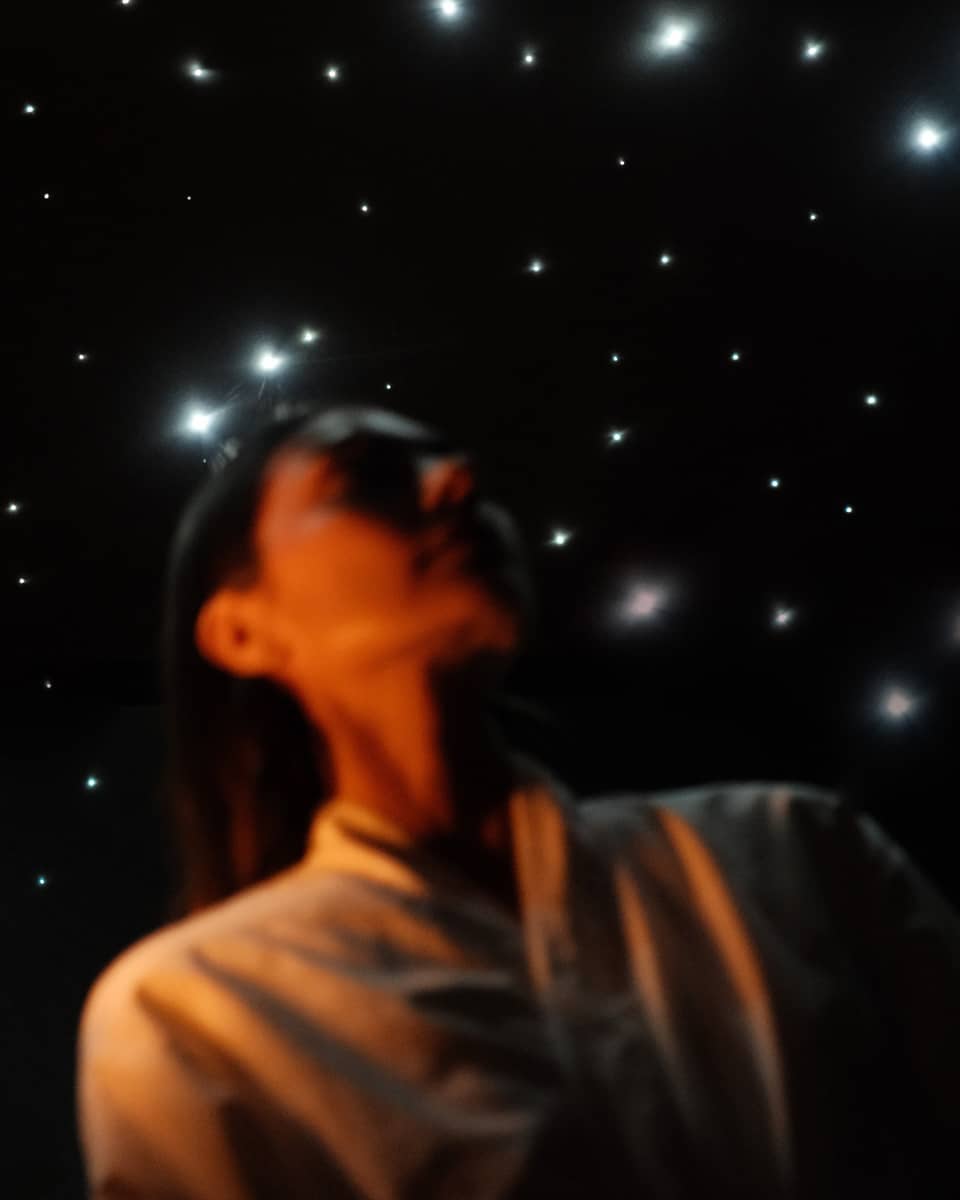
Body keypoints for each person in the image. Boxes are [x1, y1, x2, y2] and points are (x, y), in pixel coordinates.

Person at [76, 401, 960, 1199]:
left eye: (456, 463)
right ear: (241, 631)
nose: (459, 481)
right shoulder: (193, 1018)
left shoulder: (799, 853)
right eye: (366, 480)